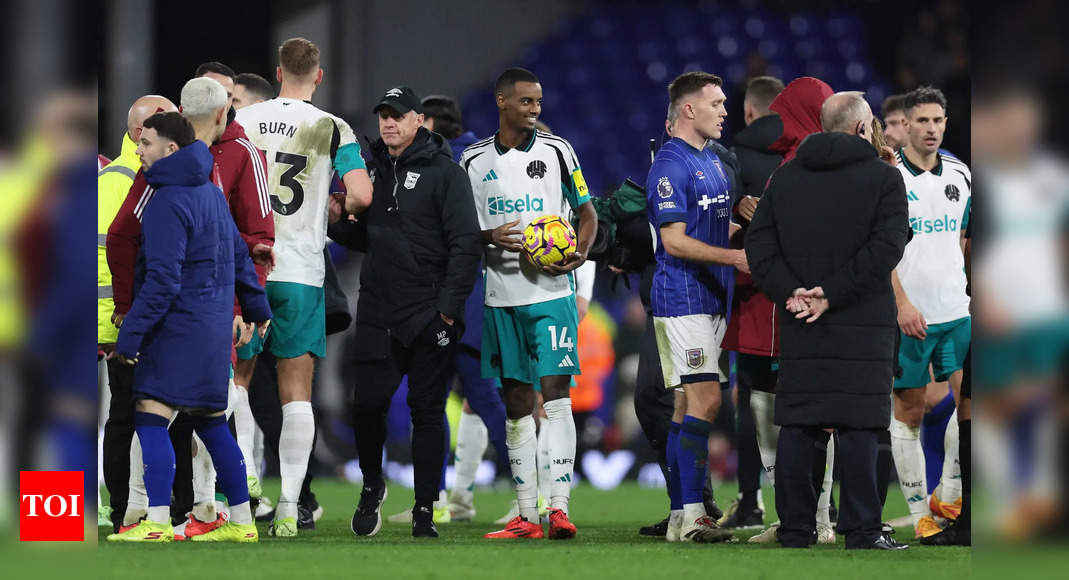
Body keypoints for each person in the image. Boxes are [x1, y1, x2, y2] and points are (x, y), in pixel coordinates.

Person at [745, 91, 909, 550]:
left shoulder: (787, 177)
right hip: (863, 319)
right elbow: (886, 247)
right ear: (862, 128)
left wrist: (792, 292)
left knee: (800, 423)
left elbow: (760, 247)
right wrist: (831, 295)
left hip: (800, 319)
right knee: (859, 424)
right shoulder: (885, 178)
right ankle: (861, 531)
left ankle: (796, 530)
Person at [105, 112, 271, 543]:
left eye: (146, 143)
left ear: (170, 150)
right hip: (212, 331)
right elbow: (239, 254)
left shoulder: (165, 200)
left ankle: (157, 523)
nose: (138, 150)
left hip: (176, 330)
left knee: (151, 418)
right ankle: (242, 523)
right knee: (213, 424)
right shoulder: (211, 193)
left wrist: (132, 334)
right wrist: (256, 306)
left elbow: (162, 280)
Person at [327, 86, 481, 538]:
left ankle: (424, 508)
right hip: (378, 310)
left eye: (397, 116)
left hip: (430, 313)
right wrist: (338, 224)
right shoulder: (373, 170)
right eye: (383, 116)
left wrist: (449, 313)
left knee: (428, 412)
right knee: (368, 405)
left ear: (418, 121)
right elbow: (369, 239)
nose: (388, 123)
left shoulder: (446, 173)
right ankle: (372, 485)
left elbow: (465, 244)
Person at [235, 37, 373, 537]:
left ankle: (245, 481)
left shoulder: (243, 122)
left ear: (277, 73)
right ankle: (292, 507)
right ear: (319, 76)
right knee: (297, 395)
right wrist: (338, 203)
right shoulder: (332, 127)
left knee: (238, 383)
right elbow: (362, 193)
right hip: (300, 274)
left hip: (248, 270)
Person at [462, 67, 597, 540]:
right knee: (516, 403)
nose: (535, 109)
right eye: (526, 102)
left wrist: (577, 254)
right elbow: (460, 234)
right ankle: (525, 514)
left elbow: (587, 213)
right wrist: (487, 236)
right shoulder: (473, 161)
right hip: (501, 298)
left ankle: (558, 507)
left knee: (556, 395)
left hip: (551, 295)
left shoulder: (558, 151)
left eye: (538, 102)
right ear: (502, 101)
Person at [645, 71, 745, 544]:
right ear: (689, 109)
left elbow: (711, 233)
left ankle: (679, 516)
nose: (725, 110)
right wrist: (737, 258)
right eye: (717, 103)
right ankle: (694, 516)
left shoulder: (713, 163)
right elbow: (674, 242)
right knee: (706, 400)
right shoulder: (669, 166)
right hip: (681, 297)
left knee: (687, 404)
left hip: (712, 297)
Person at [417, 93, 512, 523]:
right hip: (483, 291)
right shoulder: (487, 156)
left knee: (434, 398)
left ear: (430, 125)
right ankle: (528, 493)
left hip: (439, 291)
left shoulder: (431, 161)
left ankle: (433, 500)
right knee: (484, 396)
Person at [889, 86, 971, 539]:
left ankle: (949, 491)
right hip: (911, 318)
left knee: (973, 407)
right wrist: (901, 303)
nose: (932, 129)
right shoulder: (889, 178)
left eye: (938, 120)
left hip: (958, 310)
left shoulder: (961, 173)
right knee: (910, 413)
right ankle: (921, 512)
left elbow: (961, 237)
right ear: (905, 124)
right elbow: (883, 251)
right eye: (922, 121)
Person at [99, 94, 177, 533]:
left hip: (120, 316)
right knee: (130, 413)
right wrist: (121, 316)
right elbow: (115, 254)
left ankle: (137, 509)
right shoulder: (125, 178)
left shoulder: (139, 175)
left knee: (132, 413)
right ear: (138, 133)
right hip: (118, 319)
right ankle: (127, 509)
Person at [721, 74, 784, 530]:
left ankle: (749, 499)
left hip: (750, 291)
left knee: (751, 399)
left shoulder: (732, 159)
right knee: (809, 401)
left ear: (748, 112)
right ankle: (821, 502)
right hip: (806, 293)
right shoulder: (808, 155)